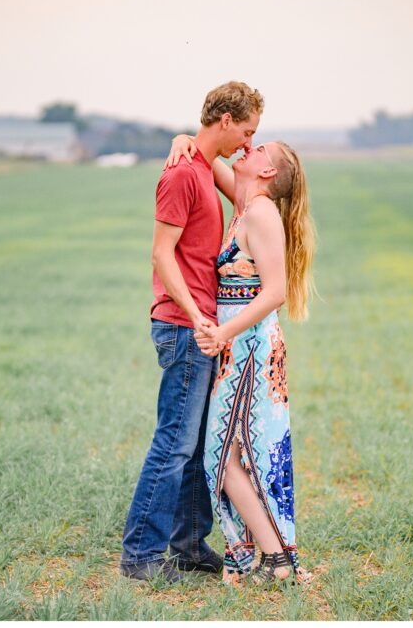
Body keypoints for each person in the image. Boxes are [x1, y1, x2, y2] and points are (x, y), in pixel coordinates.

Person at [120, 82, 264, 583]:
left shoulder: (201, 167)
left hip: (202, 326)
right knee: (175, 443)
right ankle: (140, 555)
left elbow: (248, 193)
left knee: (197, 442)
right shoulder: (182, 174)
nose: (248, 144)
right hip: (184, 325)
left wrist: (182, 136)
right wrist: (199, 316)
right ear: (225, 119)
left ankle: (186, 545)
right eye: (246, 131)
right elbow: (162, 254)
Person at [165, 134, 316, 586]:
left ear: (267, 172)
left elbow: (275, 291)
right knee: (231, 455)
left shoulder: (264, 214)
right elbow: (208, 153)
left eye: (258, 151)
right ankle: (268, 557)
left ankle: (273, 559)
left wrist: (222, 333)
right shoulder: (247, 202)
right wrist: (185, 138)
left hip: (250, 347)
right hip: (236, 345)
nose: (248, 150)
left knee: (223, 455)